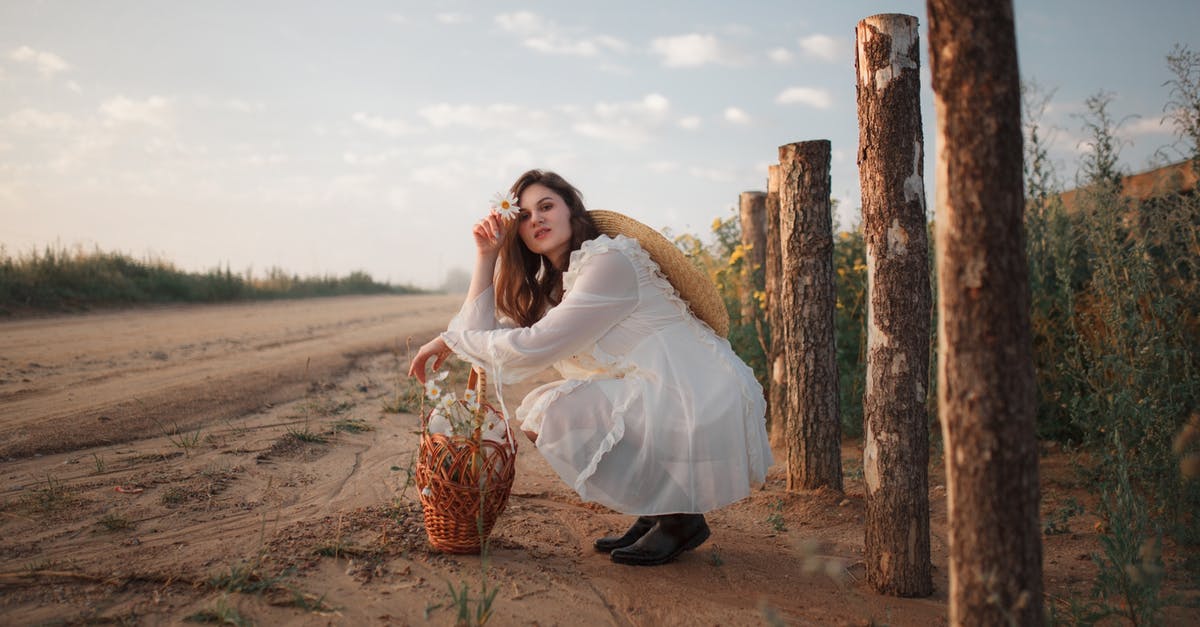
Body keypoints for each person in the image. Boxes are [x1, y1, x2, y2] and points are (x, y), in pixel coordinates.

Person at [408, 169, 772, 566]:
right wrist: (486, 255)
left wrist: (449, 340)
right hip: (666, 389)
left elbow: (533, 345)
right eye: (525, 216)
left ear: (571, 211)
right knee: (550, 408)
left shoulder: (608, 263)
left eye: (546, 206)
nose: (537, 219)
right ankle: (662, 510)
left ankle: (680, 517)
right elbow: (485, 330)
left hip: (694, 393)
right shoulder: (561, 283)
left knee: (552, 410)